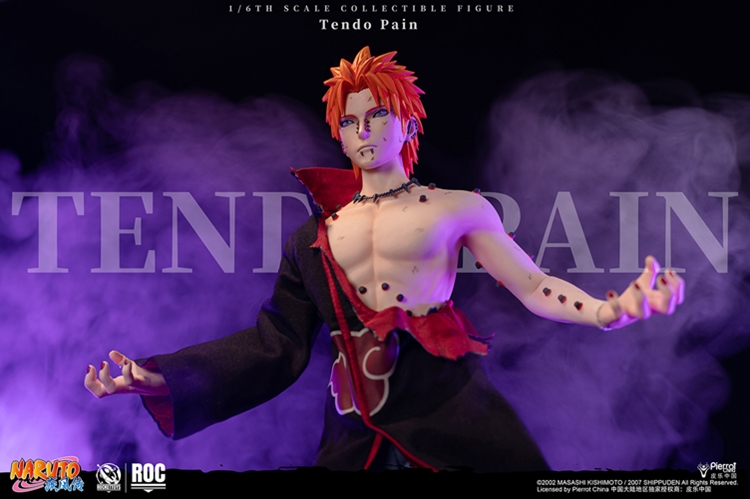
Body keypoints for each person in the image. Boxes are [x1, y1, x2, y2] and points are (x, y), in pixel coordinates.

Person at [85, 47, 684, 471]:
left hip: (445, 406)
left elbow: (531, 284)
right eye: (350, 121)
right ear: (339, 135)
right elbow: (277, 342)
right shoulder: (314, 236)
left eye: (377, 115)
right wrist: (166, 377)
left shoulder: (456, 208)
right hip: (355, 427)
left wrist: (608, 310)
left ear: (407, 121)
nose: (364, 130)